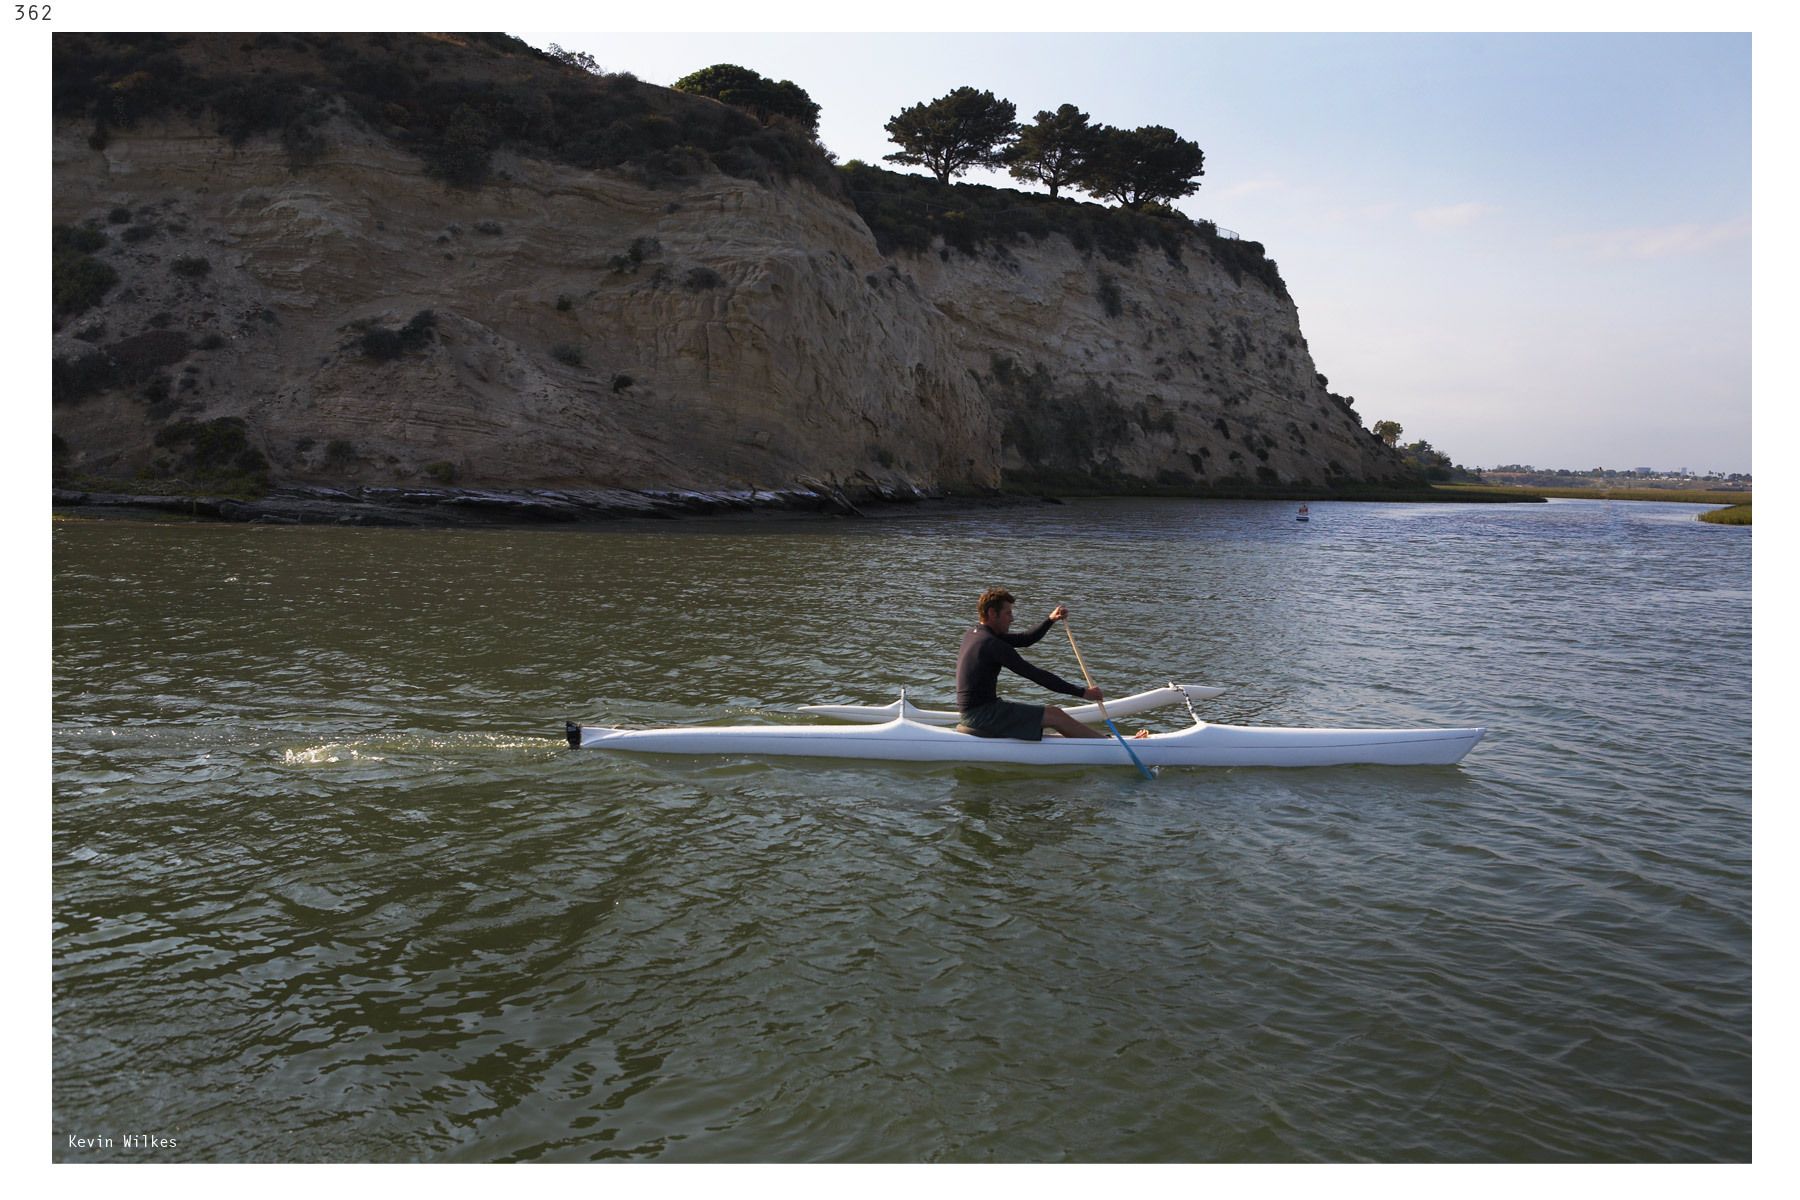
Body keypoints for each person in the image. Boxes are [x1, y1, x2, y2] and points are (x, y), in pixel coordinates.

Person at [955, 587, 1148, 740]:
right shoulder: (992, 644)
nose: (1012, 619)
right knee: (1055, 715)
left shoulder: (975, 634)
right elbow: (1036, 675)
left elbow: (1025, 639)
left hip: (979, 711)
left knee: (1054, 718)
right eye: (1008, 613)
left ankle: (1102, 739)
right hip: (981, 716)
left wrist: (1050, 620)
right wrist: (1083, 692)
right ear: (992, 613)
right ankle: (1110, 745)